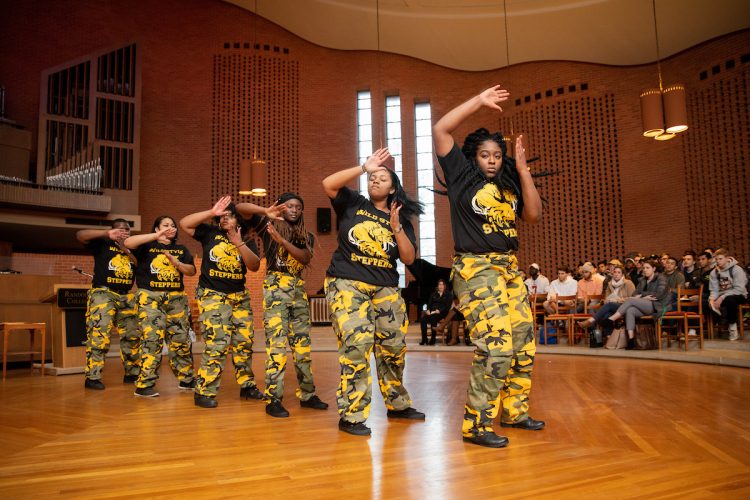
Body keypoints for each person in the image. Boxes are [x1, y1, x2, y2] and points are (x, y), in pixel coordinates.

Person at [433, 85, 544, 449]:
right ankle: (476, 425)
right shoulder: (462, 179)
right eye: (485, 155)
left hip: (509, 269)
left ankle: (514, 411)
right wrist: (477, 101)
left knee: (524, 344)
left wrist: (523, 170)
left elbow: (532, 214)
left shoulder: (509, 188)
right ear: (474, 158)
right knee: (496, 346)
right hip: (476, 270)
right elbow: (441, 130)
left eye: (498, 155)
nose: (493, 160)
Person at [322, 147, 426, 436]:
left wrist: (396, 229)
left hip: (386, 287)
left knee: (393, 348)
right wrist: (363, 167)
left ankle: (398, 404)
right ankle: (352, 415)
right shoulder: (353, 203)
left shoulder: (400, 218)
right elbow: (328, 184)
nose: (375, 180)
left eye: (382, 177)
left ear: (393, 186)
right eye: (372, 177)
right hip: (347, 282)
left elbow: (408, 258)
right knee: (357, 344)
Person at [236, 194, 329, 418]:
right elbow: (240, 208)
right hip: (275, 287)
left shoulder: (306, 236)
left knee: (302, 348)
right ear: (282, 208)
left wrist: (282, 242)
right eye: (289, 206)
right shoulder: (268, 226)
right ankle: (273, 399)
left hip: (297, 289)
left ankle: (307, 395)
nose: (294, 210)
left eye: (298, 207)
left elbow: (305, 258)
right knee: (276, 347)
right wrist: (265, 211)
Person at [179, 196, 262, 408]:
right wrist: (211, 213)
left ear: (238, 220)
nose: (225, 220)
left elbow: (253, 266)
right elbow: (185, 224)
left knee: (244, 343)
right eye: (222, 217)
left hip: (239, 297)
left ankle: (247, 385)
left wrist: (239, 243)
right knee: (217, 343)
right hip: (213, 295)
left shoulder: (248, 240)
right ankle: (204, 390)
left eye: (230, 216)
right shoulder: (210, 233)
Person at [124, 216, 197, 398]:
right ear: (156, 228)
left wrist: (177, 263)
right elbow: (128, 241)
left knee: (181, 340)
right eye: (165, 225)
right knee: (152, 339)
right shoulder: (146, 246)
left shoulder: (181, 249)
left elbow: (191, 271)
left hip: (176, 299)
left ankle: (186, 379)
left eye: (172, 225)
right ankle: (144, 384)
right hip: (150, 297)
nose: (170, 228)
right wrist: (156, 236)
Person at [77, 220, 141, 390]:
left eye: (126, 229)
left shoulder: (133, 248)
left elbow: (138, 264)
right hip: (103, 294)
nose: (123, 231)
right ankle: (93, 377)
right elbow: (80, 235)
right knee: (99, 335)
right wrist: (106, 234)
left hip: (126, 296)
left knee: (132, 336)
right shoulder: (103, 242)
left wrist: (125, 248)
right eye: (119, 229)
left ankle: (132, 373)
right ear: (113, 230)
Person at [608, 260, 670, 350]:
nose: (645, 270)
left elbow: (659, 294)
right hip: (646, 305)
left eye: (647, 268)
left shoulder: (661, 278)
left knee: (631, 301)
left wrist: (641, 295)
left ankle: (612, 318)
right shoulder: (642, 280)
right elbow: (634, 294)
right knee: (630, 310)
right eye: (644, 268)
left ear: (654, 268)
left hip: (658, 305)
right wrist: (644, 297)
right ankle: (631, 340)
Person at [576, 265, 635, 340]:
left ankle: (590, 321)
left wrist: (618, 300)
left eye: (619, 272)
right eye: (615, 272)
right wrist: (606, 300)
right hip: (611, 307)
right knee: (606, 316)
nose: (616, 274)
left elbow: (633, 298)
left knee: (609, 305)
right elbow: (606, 297)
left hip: (624, 306)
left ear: (622, 274)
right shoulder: (610, 284)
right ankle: (609, 337)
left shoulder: (628, 283)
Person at [708, 248, 748, 341]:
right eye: (716, 259)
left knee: (730, 300)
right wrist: (712, 299)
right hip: (722, 296)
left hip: (739, 295)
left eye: (720, 259)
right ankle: (718, 325)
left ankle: (732, 327)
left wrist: (722, 297)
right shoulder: (714, 272)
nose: (718, 261)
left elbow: (739, 289)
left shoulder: (737, 269)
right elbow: (714, 290)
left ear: (727, 258)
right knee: (707, 302)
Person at [419, 279, 453, 345]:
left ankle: (433, 338)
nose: (441, 286)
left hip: (442, 313)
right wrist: (428, 310)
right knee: (423, 320)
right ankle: (424, 339)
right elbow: (429, 304)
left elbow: (447, 307)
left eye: (442, 284)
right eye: (439, 284)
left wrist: (439, 310)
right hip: (432, 312)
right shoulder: (434, 294)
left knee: (433, 319)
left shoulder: (448, 295)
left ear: (445, 286)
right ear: (438, 286)